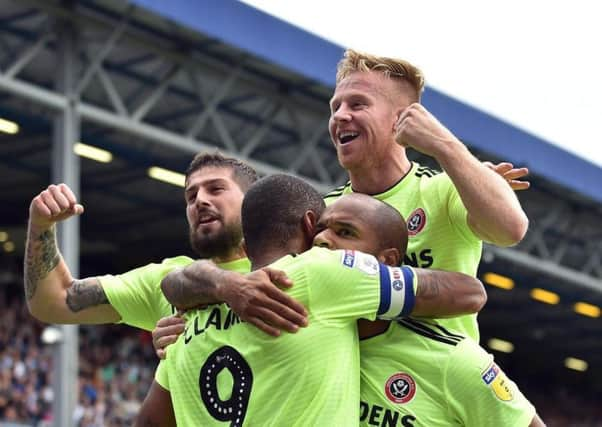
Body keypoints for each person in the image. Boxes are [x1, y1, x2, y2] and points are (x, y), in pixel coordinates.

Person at [136, 174, 488, 426]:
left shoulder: (187, 319)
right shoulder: (323, 273)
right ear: (308, 225)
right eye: (323, 227)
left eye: (343, 231)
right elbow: (470, 292)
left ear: (246, 240)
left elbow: (150, 422)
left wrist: (216, 283)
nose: (327, 240)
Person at [324, 49, 529, 341]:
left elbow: (511, 229)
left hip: (439, 383)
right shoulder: (325, 211)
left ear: (402, 119)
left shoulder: (442, 190)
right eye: (336, 107)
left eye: (358, 104)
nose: (341, 115)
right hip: (354, 383)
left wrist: (444, 145)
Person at [314, 194, 545, 427]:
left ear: (387, 262)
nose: (321, 239)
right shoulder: (295, 328)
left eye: (345, 233)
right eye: (319, 229)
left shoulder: (452, 360)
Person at [24, 152, 305, 335]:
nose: (200, 201)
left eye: (216, 188)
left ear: (252, 200)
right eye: (191, 196)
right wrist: (41, 226)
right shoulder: (165, 280)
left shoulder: (298, 264)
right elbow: (53, 301)